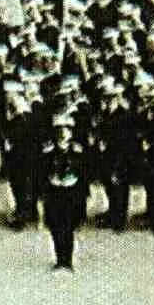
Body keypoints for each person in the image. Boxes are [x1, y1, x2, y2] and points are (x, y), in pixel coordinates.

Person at [42, 116, 90, 271]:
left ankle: (67, 260)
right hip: (53, 194)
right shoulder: (48, 151)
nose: (63, 134)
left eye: (67, 130)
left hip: (71, 194)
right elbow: (41, 172)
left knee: (68, 228)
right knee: (55, 228)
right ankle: (59, 259)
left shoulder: (78, 151)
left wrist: (82, 195)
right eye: (60, 130)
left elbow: (84, 174)